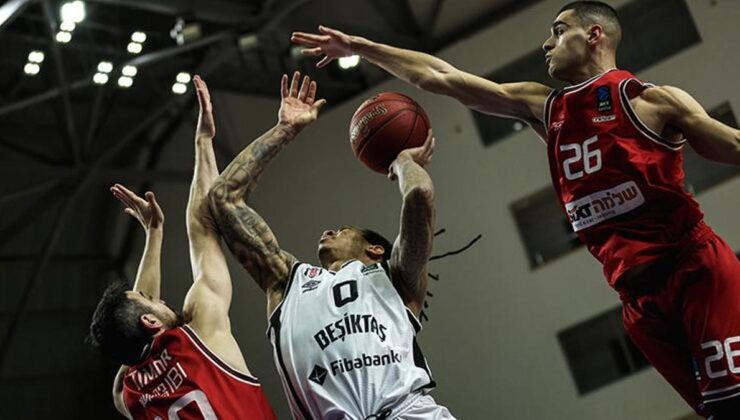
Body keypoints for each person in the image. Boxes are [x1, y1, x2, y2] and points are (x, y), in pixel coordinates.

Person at [291, 1, 740, 418]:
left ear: (594, 35)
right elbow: (440, 77)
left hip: (693, 270)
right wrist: (359, 47)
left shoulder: (650, 101)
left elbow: (733, 145)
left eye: (559, 31)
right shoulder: (544, 108)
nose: (547, 43)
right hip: (636, 300)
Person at [206, 71, 454, 419]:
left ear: (375, 250)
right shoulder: (287, 281)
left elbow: (420, 194)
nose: (329, 231)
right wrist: (285, 130)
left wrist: (404, 162)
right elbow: (223, 199)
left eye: (343, 228)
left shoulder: (395, 279)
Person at [87, 76, 276, 420]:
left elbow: (137, 321)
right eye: (154, 300)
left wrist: (154, 234)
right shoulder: (198, 334)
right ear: (149, 319)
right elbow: (203, 228)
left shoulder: (127, 396)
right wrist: (204, 142)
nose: (160, 297)